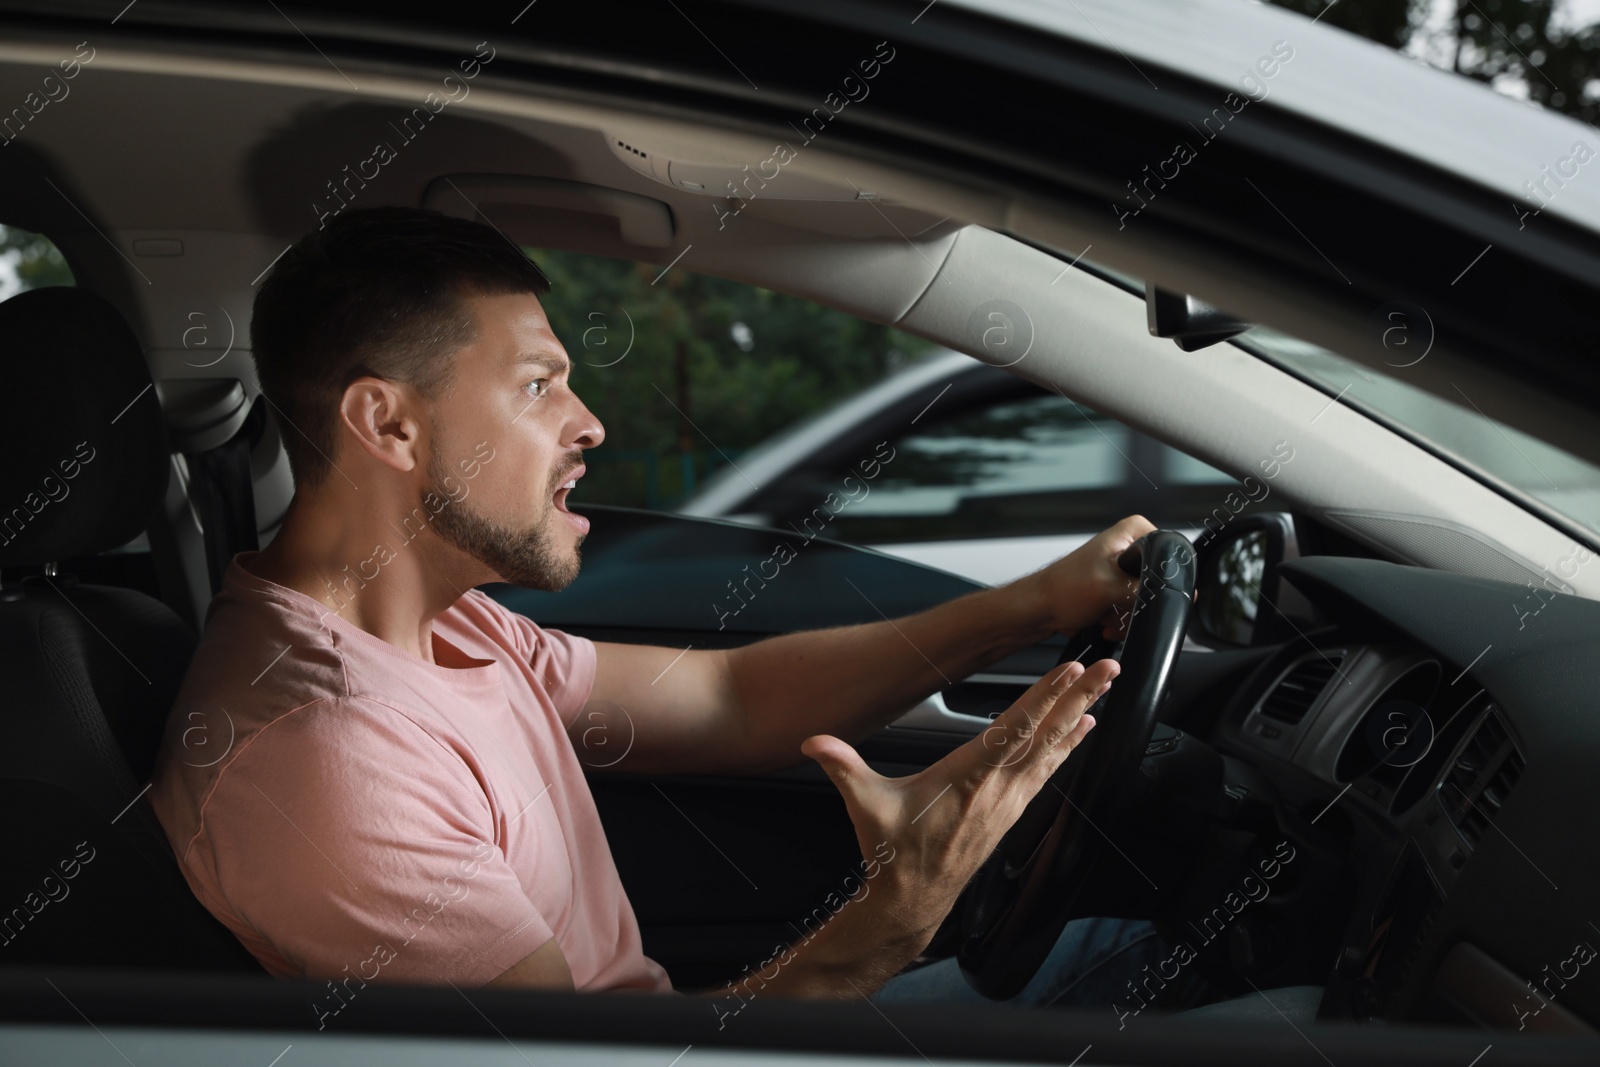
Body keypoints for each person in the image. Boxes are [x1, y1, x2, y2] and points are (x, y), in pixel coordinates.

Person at [150, 206, 1170, 1014]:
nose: (587, 422)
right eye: (539, 383)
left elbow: (730, 696)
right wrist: (894, 914)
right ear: (388, 422)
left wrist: (1033, 603)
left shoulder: (438, 624)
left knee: (1139, 953)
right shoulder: (329, 758)